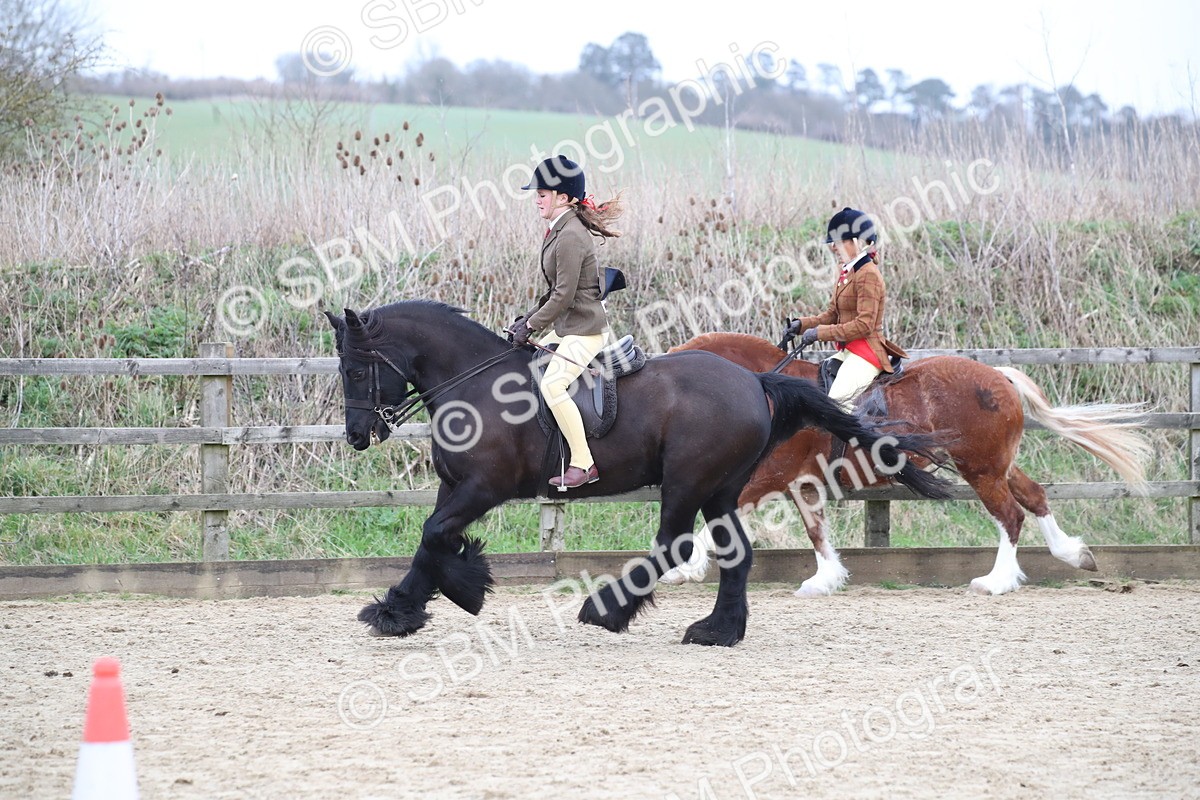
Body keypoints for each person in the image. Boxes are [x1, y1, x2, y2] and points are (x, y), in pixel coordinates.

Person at [509, 155, 624, 489]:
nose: (537, 199)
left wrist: (532, 327)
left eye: (542, 194)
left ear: (563, 197)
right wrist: (527, 319)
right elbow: (555, 290)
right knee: (532, 365)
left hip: (585, 330)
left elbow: (563, 295)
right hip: (570, 328)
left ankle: (584, 463)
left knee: (553, 386)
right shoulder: (559, 229)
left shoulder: (571, 235)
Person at [787, 206, 907, 413]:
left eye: (839, 241)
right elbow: (832, 315)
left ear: (857, 242)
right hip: (848, 351)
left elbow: (864, 325)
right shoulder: (846, 272)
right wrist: (801, 325)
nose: (833, 247)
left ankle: (854, 434)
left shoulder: (868, 274)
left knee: (836, 405)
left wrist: (820, 333)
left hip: (867, 352)